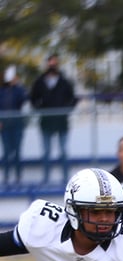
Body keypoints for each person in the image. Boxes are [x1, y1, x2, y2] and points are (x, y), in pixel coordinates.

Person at [29, 54, 77, 186]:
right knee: (46, 152)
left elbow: (73, 98)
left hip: (61, 122)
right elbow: (33, 98)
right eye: (50, 64)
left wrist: (65, 109)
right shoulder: (40, 81)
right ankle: (46, 179)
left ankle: (66, 179)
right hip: (46, 122)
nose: (52, 66)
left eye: (54, 64)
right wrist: (40, 108)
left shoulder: (64, 81)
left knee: (63, 151)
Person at [0, 65, 28, 187]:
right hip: (5, 126)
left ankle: (18, 176)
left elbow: (24, 99)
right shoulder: (2, 91)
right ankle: (6, 176)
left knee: (17, 152)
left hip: (17, 125)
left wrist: (18, 85)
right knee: (6, 152)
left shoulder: (18, 90)